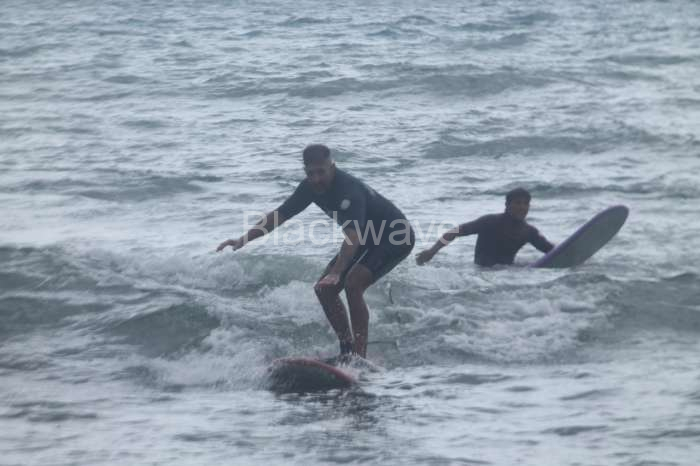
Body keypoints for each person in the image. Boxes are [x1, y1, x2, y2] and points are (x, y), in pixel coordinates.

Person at [217, 144, 414, 358]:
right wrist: (244, 239)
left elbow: (353, 237)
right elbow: (280, 215)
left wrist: (337, 271)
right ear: (305, 171)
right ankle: (346, 349)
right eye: (311, 173)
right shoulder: (309, 188)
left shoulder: (348, 190)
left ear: (332, 167)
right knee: (324, 289)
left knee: (353, 283)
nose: (317, 178)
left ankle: (359, 358)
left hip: (396, 236)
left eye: (321, 172)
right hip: (366, 237)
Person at [415, 188, 554, 267]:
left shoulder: (528, 232)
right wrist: (432, 251)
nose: (522, 207)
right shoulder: (489, 222)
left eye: (525, 203)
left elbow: (552, 252)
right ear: (507, 205)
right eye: (517, 203)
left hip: (510, 276)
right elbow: (455, 232)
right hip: (481, 275)